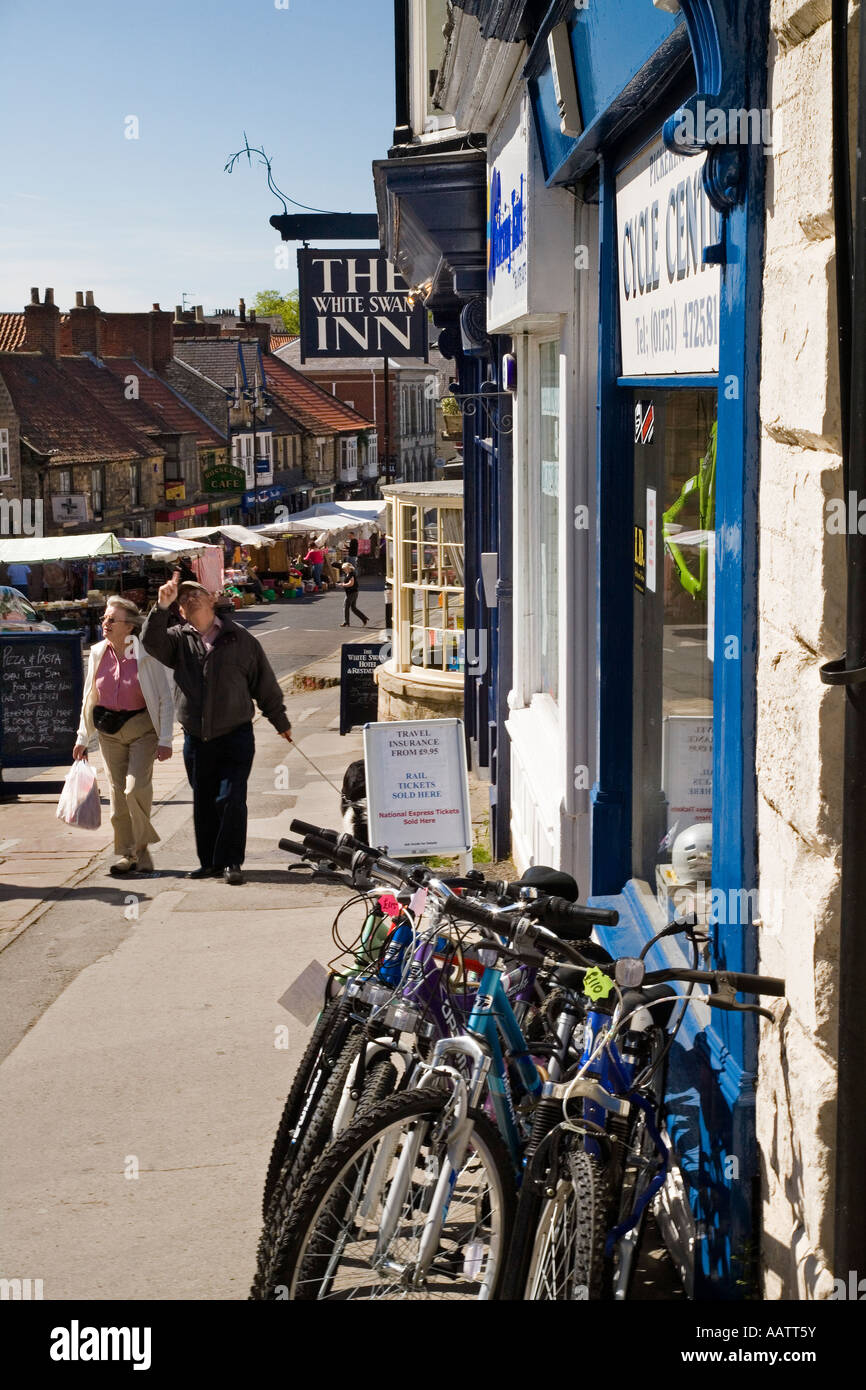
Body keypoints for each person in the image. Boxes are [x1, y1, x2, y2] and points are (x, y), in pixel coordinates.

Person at [141, 573, 292, 885]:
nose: (190, 598)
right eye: (183, 599)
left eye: (196, 593)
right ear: (179, 611)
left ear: (213, 599)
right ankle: (209, 862)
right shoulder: (176, 640)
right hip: (197, 737)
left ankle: (231, 862)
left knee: (231, 798)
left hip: (235, 734)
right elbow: (149, 642)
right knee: (205, 800)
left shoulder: (241, 639)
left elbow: (264, 684)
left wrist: (280, 721)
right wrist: (160, 606)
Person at [73, 596, 174, 877]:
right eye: (104, 618)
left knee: (134, 789)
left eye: (111, 619)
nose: (104, 623)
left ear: (129, 627)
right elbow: (88, 698)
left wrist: (166, 739)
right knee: (118, 796)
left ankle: (140, 848)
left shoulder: (145, 655)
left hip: (142, 729)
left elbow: (165, 698)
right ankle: (130, 855)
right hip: (108, 731)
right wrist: (83, 737)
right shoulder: (96, 653)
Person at [337, 561, 369, 628]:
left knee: (346, 607)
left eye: (344, 569)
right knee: (353, 608)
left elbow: (351, 584)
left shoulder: (351, 574)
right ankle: (364, 618)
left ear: (349, 568)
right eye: (343, 569)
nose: (343, 570)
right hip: (352, 592)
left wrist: (343, 585)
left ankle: (346, 622)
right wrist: (343, 584)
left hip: (352, 593)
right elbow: (349, 582)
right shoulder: (348, 574)